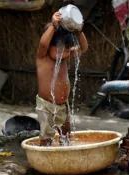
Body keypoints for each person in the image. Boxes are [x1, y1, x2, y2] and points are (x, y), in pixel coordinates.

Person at [35, 11, 88, 146]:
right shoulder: (43, 57)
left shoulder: (66, 56)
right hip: (46, 105)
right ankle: (44, 160)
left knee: (66, 134)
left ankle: (64, 155)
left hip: (63, 105)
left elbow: (84, 47)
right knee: (46, 137)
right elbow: (43, 44)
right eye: (60, 49)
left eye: (67, 49)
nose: (64, 53)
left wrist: (79, 32)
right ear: (50, 47)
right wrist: (53, 26)